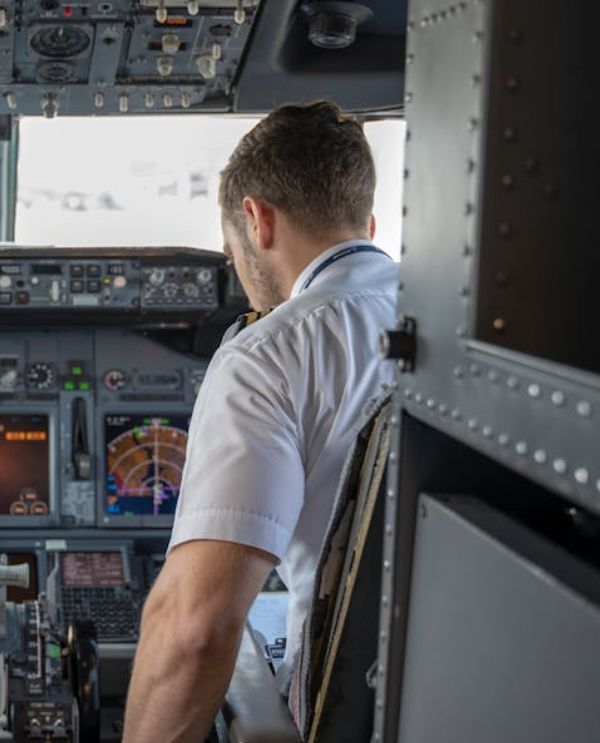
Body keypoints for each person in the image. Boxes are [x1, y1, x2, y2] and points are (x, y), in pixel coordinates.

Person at [122, 101, 398, 741]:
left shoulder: (269, 353)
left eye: (232, 252)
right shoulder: (469, 328)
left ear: (257, 220)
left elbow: (194, 629)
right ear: (367, 226)